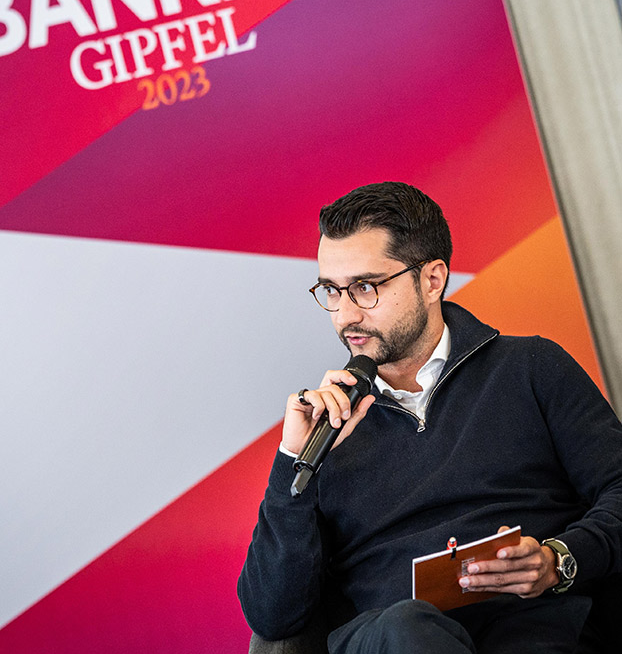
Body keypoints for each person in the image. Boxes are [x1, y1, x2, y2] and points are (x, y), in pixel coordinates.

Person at [237, 182, 622, 653]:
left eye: (365, 287)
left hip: (532, 625)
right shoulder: (325, 430)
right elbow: (273, 615)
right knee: (407, 628)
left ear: (433, 280)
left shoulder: (531, 368)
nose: (344, 315)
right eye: (332, 291)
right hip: (395, 638)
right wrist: (293, 461)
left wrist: (559, 559)